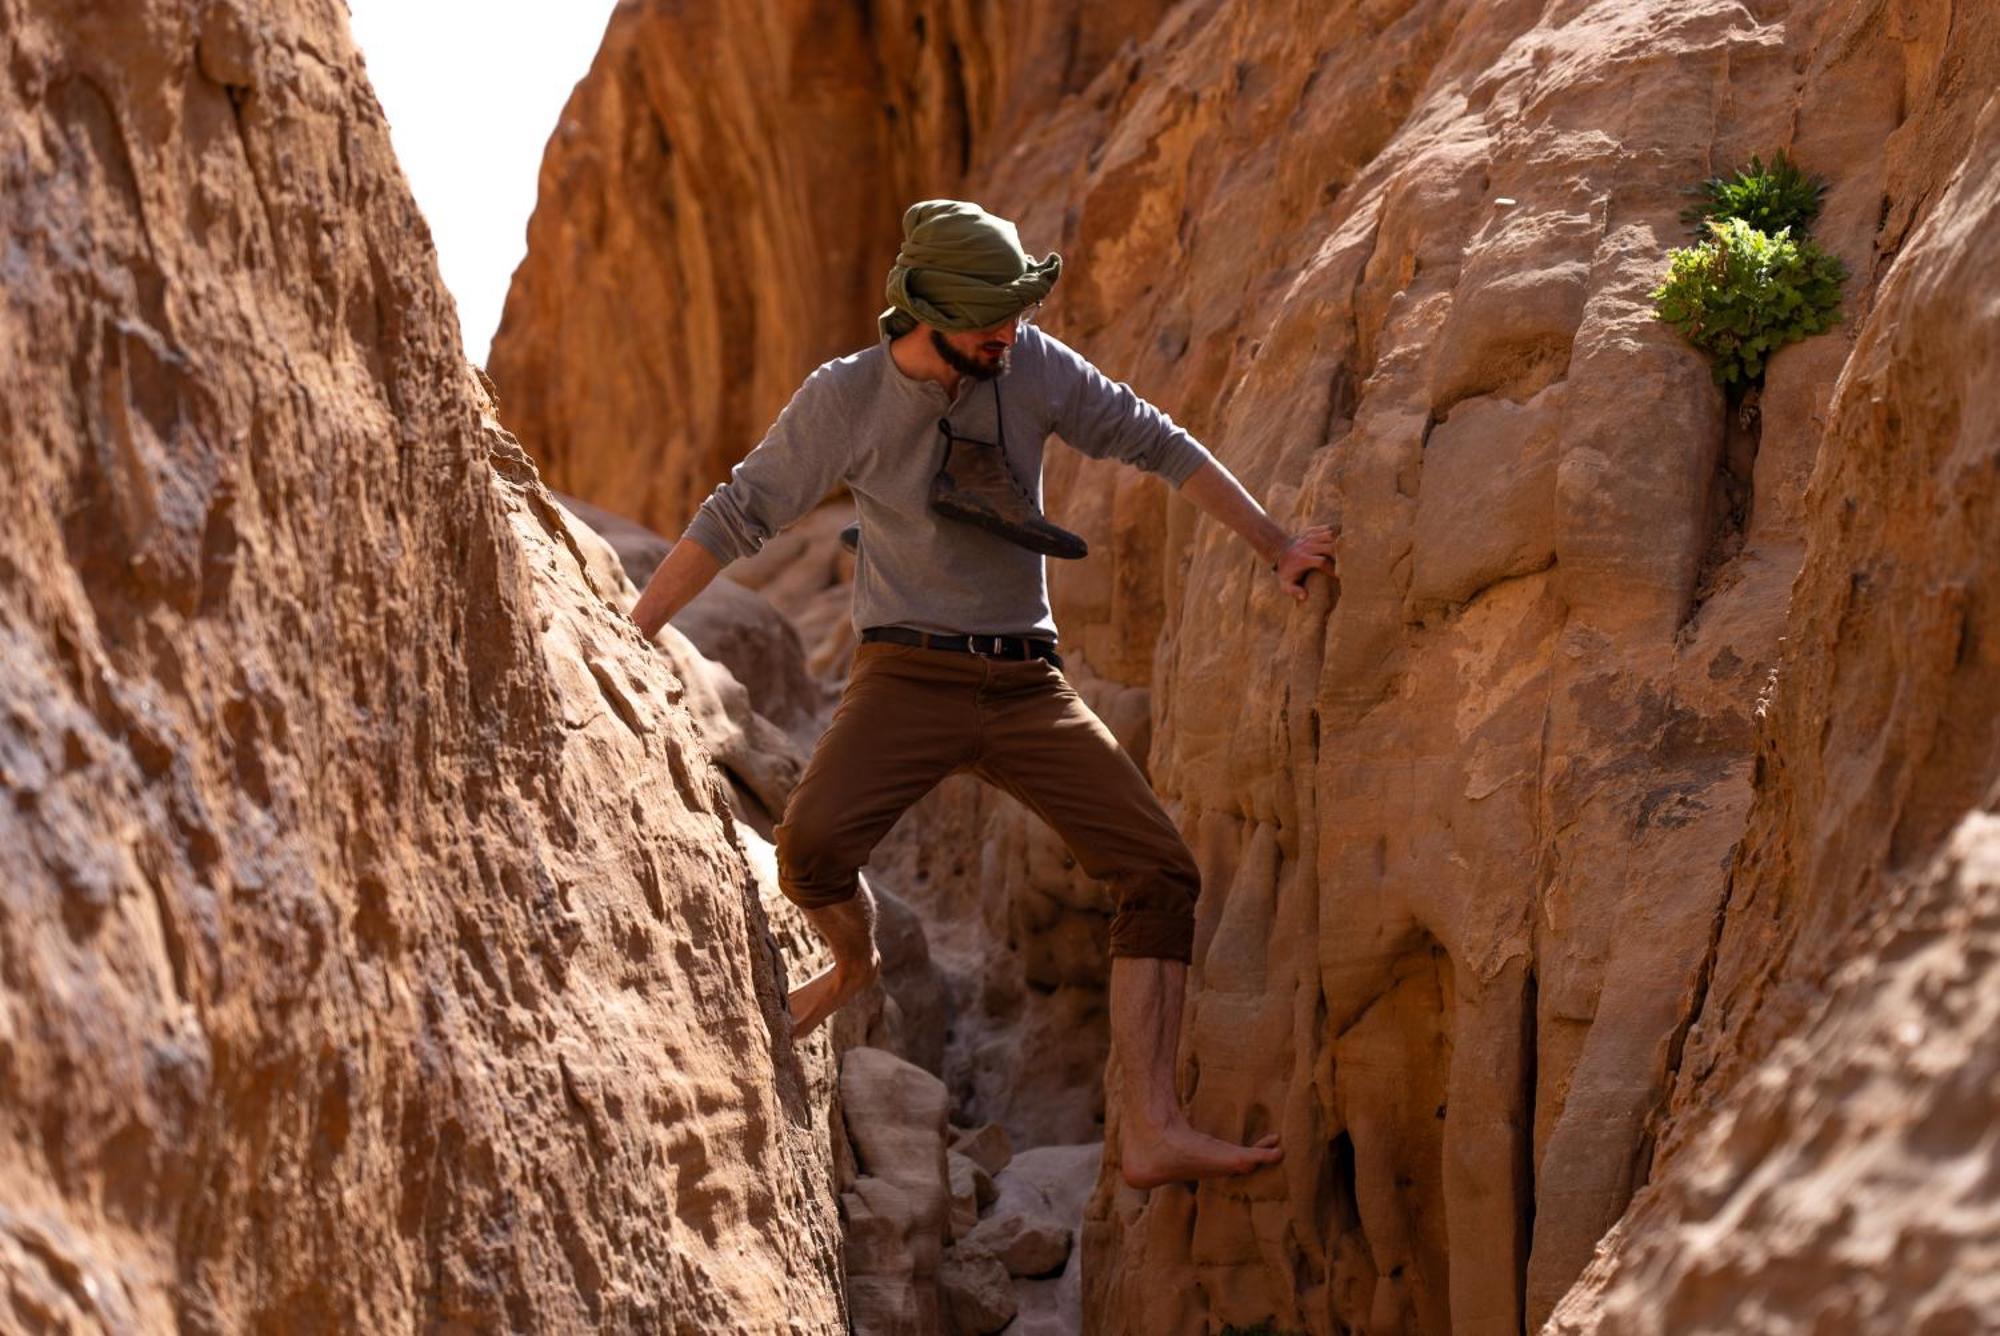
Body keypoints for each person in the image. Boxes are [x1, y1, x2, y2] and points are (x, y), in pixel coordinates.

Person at [632, 199, 1335, 1186]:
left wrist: (1276, 546)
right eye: (985, 318)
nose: (1005, 332)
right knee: (810, 852)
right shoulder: (846, 397)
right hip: (902, 676)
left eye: (1014, 312)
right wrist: (635, 630)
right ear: (922, 307)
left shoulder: (1030, 366)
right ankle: (853, 966)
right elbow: (738, 511)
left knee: (1158, 870)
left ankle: (1151, 1127)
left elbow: (1157, 441)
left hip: (1022, 684)